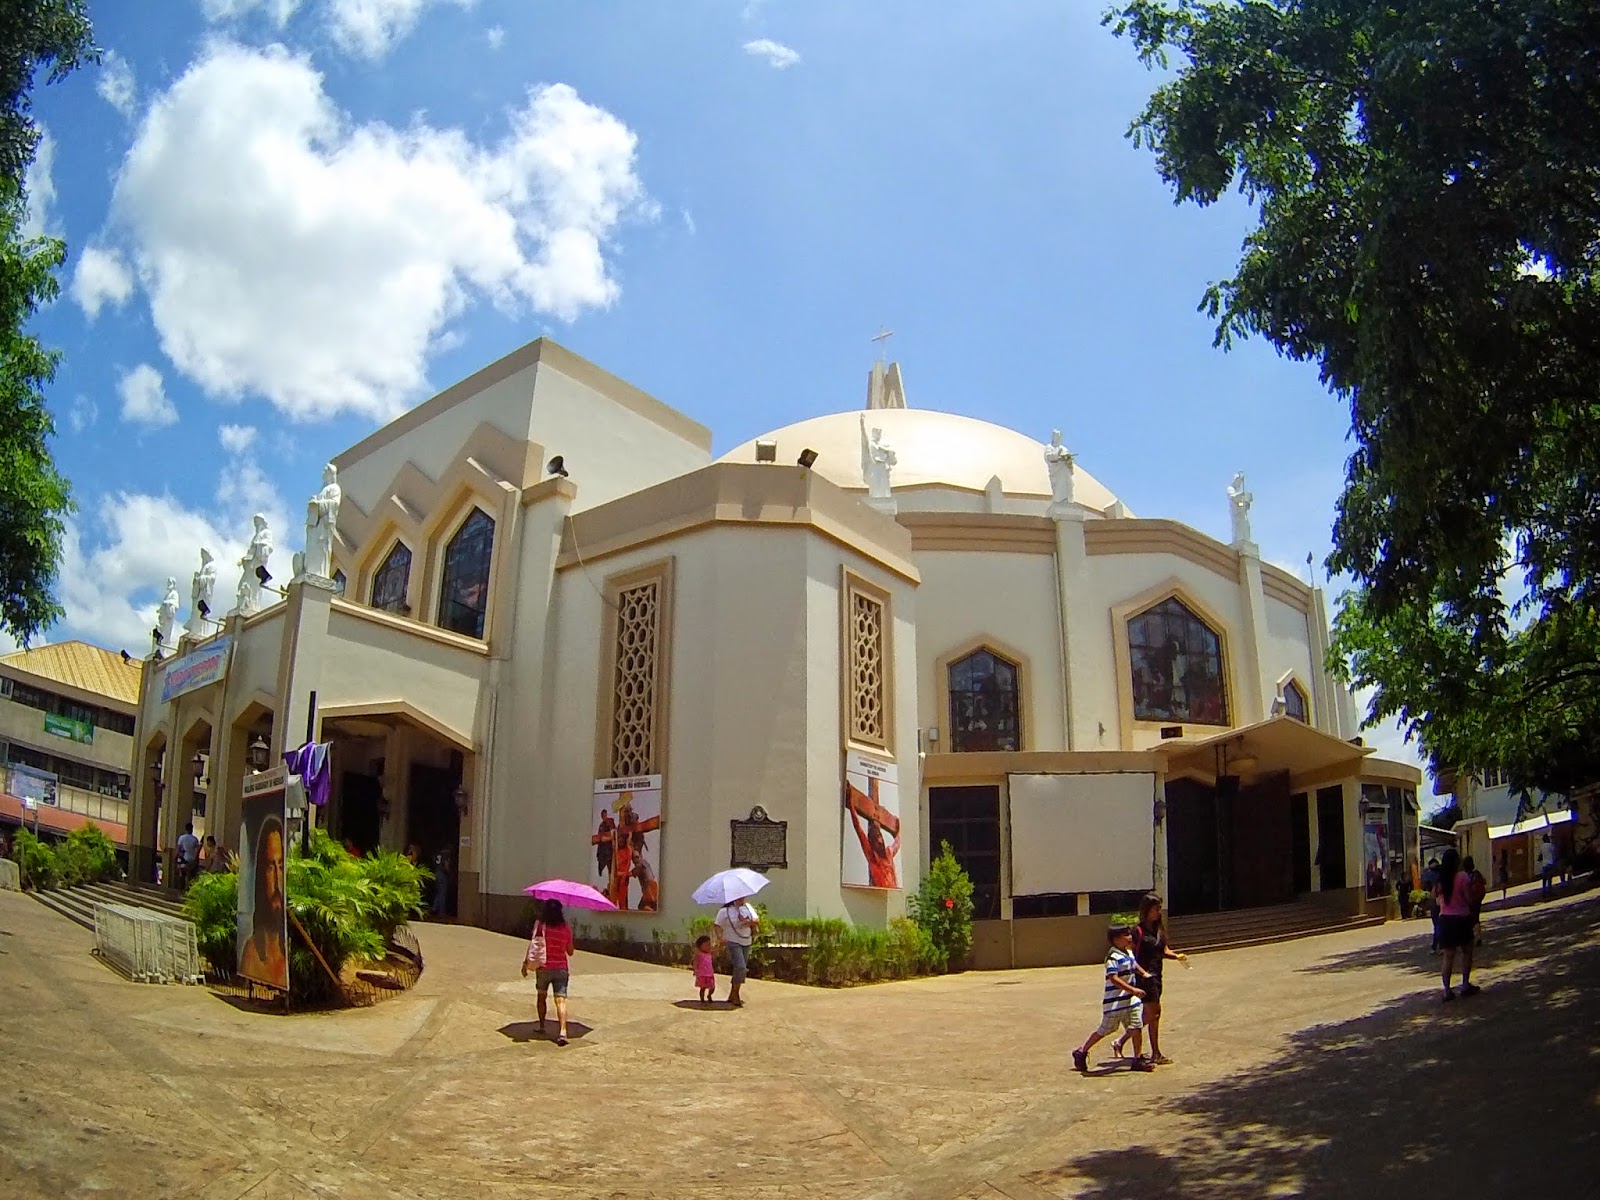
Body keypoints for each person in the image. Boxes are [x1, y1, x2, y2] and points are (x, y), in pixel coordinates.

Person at [1112, 894, 1187, 1065]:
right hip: (1144, 977)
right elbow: (1129, 954)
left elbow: (1164, 950)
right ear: (1147, 910)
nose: (1159, 912)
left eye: (1160, 908)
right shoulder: (1137, 932)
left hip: (1157, 975)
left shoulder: (1158, 929)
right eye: (1156, 909)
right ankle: (1154, 1052)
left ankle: (1123, 1042)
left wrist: (1177, 956)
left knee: (1153, 1015)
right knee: (1154, 1014)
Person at [1073, 926, 1154, 1073]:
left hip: (1131, 1000)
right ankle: (1081, 1051)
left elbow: (1134, 965)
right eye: (1125, 935)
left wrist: (1144, 974)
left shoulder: (1128, 952)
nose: (1130, 937)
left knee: (1136, 1026)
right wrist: (1133, 990)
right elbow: (1114, 978)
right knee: (1106, 1029)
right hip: (1115, 1002)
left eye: (1129, 934)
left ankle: (1137, 1059)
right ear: (1116, 939)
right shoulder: (1112, 957)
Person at [239, 819, 288, 987]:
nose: (277, 881)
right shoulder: (252, 952)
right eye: (270, 867)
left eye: (280, 866)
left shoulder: (290, 947)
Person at [521, 899, 574, 1045]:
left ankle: (542, 1025)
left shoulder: (540, 926)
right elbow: (570, 952)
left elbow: (533, 945)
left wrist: (525, 964)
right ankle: (563, 1032)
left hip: (543, 967)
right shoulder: (566, 928)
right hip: (561, 969)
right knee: (561, 1000)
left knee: (541, 997)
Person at [1432, 847, 1479, 1001]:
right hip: (1462, 918)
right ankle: (1465, 984)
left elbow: (1435, 897)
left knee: (1448, 956)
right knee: (1467, 951)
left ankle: (1447, 990)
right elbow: (1469, 898)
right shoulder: (1462, 877)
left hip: (1445, 920)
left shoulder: (1441, 880)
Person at [714, 894, 759, 1007]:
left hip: (746, 941)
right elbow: (717, 925)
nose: (742, 900)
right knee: (740, 966)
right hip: (733, 941)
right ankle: (736, 994)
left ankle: (732, 993)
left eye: (743, 898)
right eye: (739, 898)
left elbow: (756, 921)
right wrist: (720, 937)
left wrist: (745, 922)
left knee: (741, 969)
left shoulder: (748, 907)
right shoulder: (725, 911)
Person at [1462, 855, 1488, 945]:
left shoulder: (1464, 876)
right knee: (1476, 918)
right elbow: (1484, 882)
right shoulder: (1477, 873)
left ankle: (1470, 937)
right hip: (1477, 899)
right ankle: (1479, 936)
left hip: (1468, 900)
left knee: (1468, 919)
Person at [1421, 857, 1441, 953]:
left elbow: (1424, 886)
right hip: (1445, 902)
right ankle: (1441, 945)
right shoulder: (1443, 874)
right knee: (1442, 924)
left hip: (1434, 901)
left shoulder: (1428, 875)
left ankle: (1436, 946)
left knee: (1437, 924)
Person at [175, 823, 201, 890]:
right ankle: (188, 889)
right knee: (190, 876)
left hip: (183, 859)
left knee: (182, 875)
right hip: (192, 859)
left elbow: (178, 849)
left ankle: (182, 889)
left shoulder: (182, 838)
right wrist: (196, 858)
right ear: (192, 829)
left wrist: (176, 857)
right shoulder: (195, 839)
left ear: (185, 829)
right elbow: (197, 849)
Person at [693, 934, 716, 1004]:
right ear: (700, 946)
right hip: (702, 974)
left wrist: (721, 945)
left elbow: (716, 951)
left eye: (709, 945)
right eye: (706, 945)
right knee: (702, 988)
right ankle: (702, 999)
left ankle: (709, 995)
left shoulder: (709, 953)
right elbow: (695, 962)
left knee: (712, 987)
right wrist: (695, 970)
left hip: (710, 973)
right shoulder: (698, 954)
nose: (708, 947)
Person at [594, 809, 614, 882]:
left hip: (610, 849)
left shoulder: (610, 822)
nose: (604, 817)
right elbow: (601, 838)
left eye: (605, 815)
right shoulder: (601, 825)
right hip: (603, 850)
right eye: (603, 816)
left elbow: (614, 832)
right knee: (602, 863)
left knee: (611, 868)